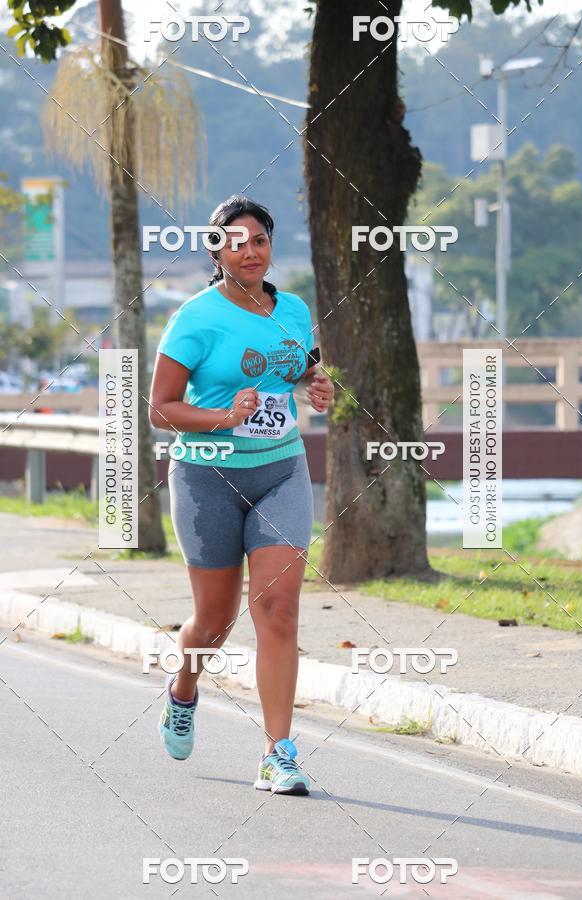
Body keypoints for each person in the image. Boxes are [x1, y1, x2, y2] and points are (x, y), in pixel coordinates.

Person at [149, 195, 334, 795]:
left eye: (259, 239)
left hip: (281, 470)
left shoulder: (296, 309)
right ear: (216, 250)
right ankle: (184, 690)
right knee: (214, 621)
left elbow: (300, 369)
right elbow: (161, 408)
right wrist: (225, 417)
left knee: (277, 609)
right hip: (207, 479)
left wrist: (317, 385)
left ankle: (278, 753)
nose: (249, 250)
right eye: (236, 241)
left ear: (270, 247)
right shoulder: (195, 319)